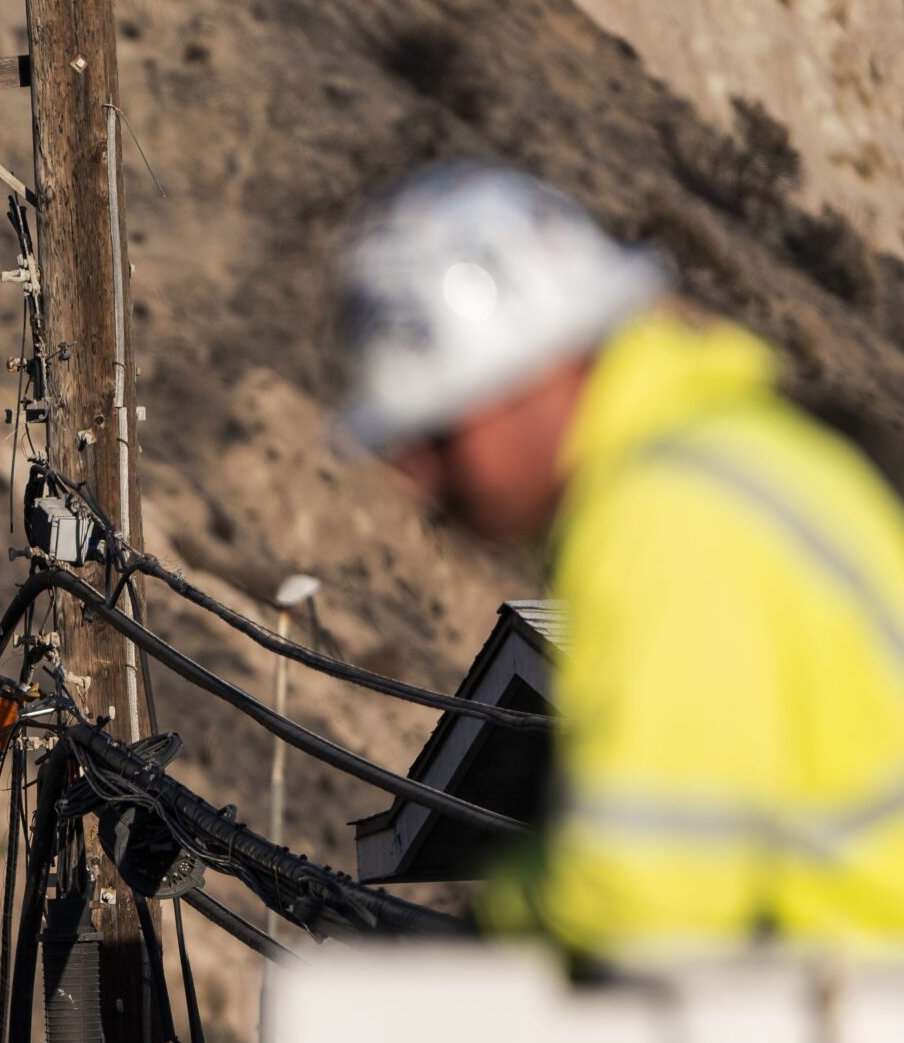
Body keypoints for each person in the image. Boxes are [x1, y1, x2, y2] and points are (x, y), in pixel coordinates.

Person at [334, 161, 904, 953]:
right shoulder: (723, 453)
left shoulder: (667, 516)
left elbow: (646, 898)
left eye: (437, 431)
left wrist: (468, 957)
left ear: (534, 379)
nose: (414, 477)